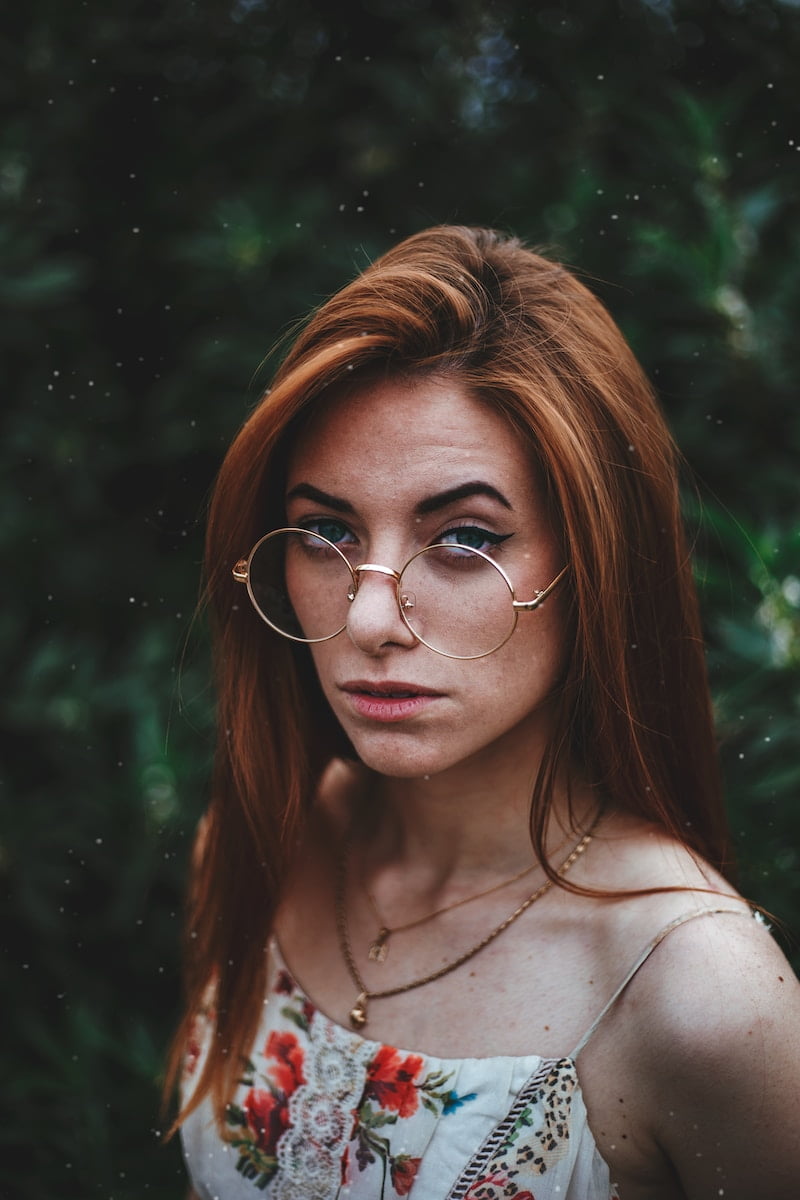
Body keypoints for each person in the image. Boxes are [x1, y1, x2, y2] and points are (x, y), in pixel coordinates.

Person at [168, 226, 800, 1199]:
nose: (369, 614)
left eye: (462, 537)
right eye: (325, 531)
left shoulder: (699, 999)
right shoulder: (262, 843)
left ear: (594, 562)